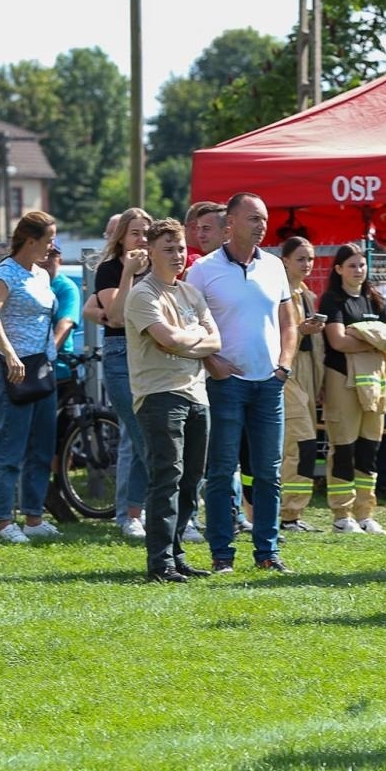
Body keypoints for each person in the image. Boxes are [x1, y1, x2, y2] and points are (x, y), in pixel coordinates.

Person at [186, 191, 297, 573]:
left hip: (269, 384)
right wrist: (211, 361)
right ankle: (222, 555)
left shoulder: (275, 267)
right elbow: (189, 326)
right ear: (230, 224)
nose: (262, 224)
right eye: (254, 218)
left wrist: (283, 365)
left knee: (267, 471)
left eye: (264, 218)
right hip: (226, 384)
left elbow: (289, 322)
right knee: (221, 471)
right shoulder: (202, 270)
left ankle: (267, 552)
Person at [123, 219, 223, 582]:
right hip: (159, 394)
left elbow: (217, 342)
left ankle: (176, 554)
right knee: (167, 477)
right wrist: (191, 337)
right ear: (150, 251)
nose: (178, 255)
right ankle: (159, 564)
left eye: (180, 248)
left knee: (191, 479)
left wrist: (186, 338)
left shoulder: (189, 294)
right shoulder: (143, 294)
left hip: (197, 394)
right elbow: (167, 340)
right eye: (169, 248)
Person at [0, 211, 62, 545]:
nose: (52, 246)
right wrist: (9, 354)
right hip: (14, 370)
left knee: (42, 448)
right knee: (11, 447)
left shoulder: (41, 274)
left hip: (42, 370)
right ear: (30, 241)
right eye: (48, 240)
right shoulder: (6, 272)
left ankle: (33, 517)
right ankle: (3, 520)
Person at [319, 244, 386, 534]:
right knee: (343, 447)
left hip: (375, 383)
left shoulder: (374, 299)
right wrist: (376, 340)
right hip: (342, 380)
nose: (358, 270)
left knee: (369, 448)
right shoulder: (332, 300)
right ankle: (342, 514)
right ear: (338, 269)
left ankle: (366, 513)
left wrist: (361, 335)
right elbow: (338, 342)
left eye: (362, 265)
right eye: (352, 265)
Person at [87, 208, 153, 540]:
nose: (142, 239)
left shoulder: (158, 269)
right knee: (144, 437)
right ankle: (159, 512)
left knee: (146, 435)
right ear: (121, 238)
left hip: (154, 356)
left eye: (146, 232)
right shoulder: (110, 270)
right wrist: (128, 274)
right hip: (121, 356)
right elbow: (114, 317)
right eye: (135, 233)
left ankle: (133, 514)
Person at [278, 235, 327, 532]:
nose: (307, 264)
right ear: (284, 260)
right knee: (301, 442)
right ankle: (287, 512)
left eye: (310, 258)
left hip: (308, 373)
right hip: (287, 373)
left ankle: (293, 515)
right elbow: (278, 335)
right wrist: (300, 329)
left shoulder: (306, 292)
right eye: (300, 259)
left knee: (305, 444)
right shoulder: (278, 292)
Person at [44, 243, 81, 358]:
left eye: (51, 255)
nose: (46, 260)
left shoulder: (66, 287)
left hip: (57, 362)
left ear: (59, 261)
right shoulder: (29, 285)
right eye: (44, 254)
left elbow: (66, 322)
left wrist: (48, 355)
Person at [183, 201, 225, 274]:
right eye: (198, 228)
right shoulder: (193, 260)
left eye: (206, 228)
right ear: (193, 227)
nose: (200, 235)